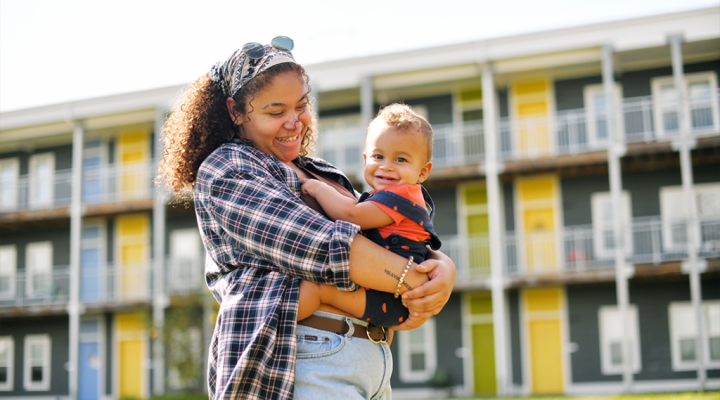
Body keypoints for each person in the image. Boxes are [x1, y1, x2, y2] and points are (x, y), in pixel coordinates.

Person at [157, 37, 456, 400]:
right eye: (275, 111)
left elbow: (386, 228)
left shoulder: (319, 171)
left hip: (372, 358)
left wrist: (441, 266)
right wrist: (414, 281)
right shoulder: (228, 169)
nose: (294, 122)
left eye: (301, 106)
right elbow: (320, 246)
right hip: (304, 359)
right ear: (236, 112)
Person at [297, 104, 441, 327]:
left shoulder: (402, 196)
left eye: (400, 160)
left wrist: (318, 189)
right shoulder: (389, 195)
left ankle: (269, 326)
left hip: (391, 297)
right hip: (388, 291)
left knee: (317, 289)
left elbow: (351, 214)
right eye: (378, 156)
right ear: (366, 159)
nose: (387, 166)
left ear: (422, 171)